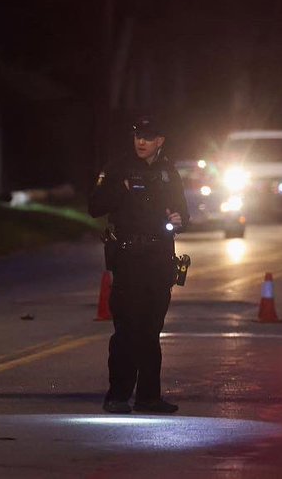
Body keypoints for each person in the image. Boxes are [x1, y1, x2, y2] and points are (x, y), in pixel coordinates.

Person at [88, 113, 188, 415]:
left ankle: (149, 397)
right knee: (127, 328)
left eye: (147, 137)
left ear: (160, 140)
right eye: (137, 136)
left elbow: (183, 213)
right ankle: (117, 395)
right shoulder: (118, 168)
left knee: (151, 329)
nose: (140, 142)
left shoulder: (168, 171)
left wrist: (179, 220)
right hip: (129, 258)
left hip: (159, 258)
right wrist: (122, 190)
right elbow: (95, 207)